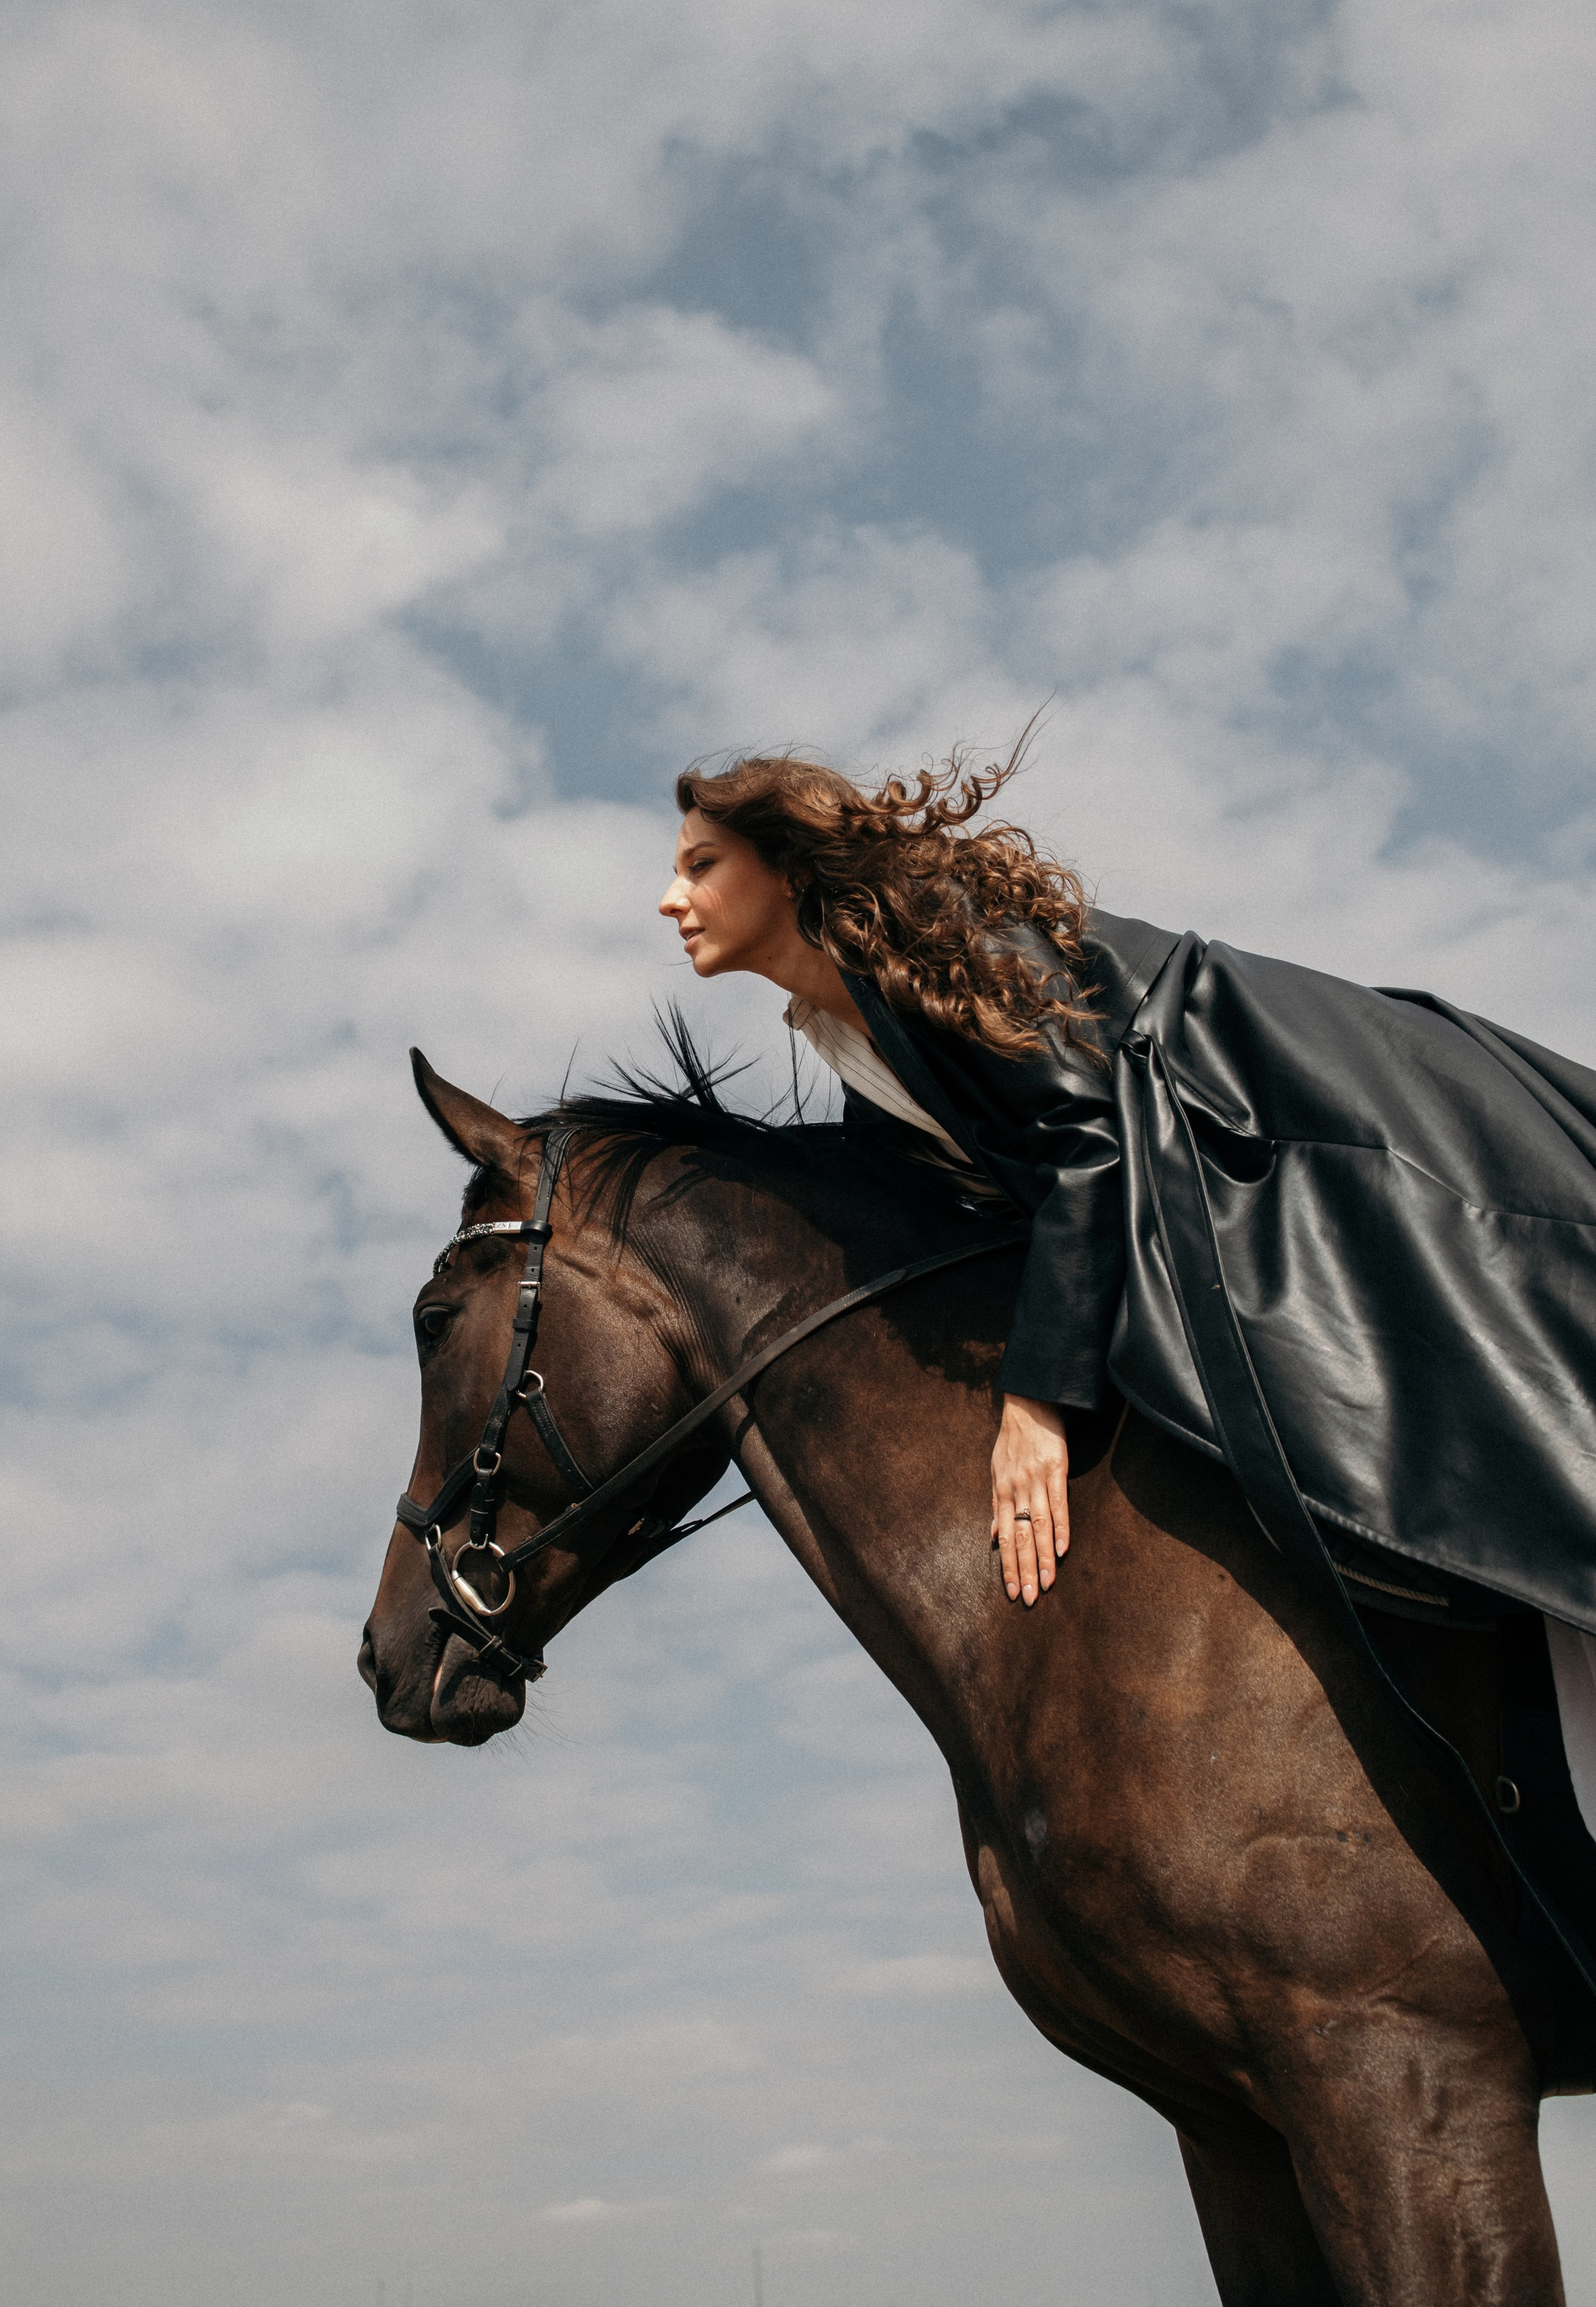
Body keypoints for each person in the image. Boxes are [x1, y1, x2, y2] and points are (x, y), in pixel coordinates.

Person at [654, 750, 1596, 1827]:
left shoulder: (934, 940)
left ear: (783, 865)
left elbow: (1087, 1149)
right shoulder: (850, 1038)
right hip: (1212, 1190)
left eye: (702, 862)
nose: (672, 897)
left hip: (1290, 1135)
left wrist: (1035, 1406)